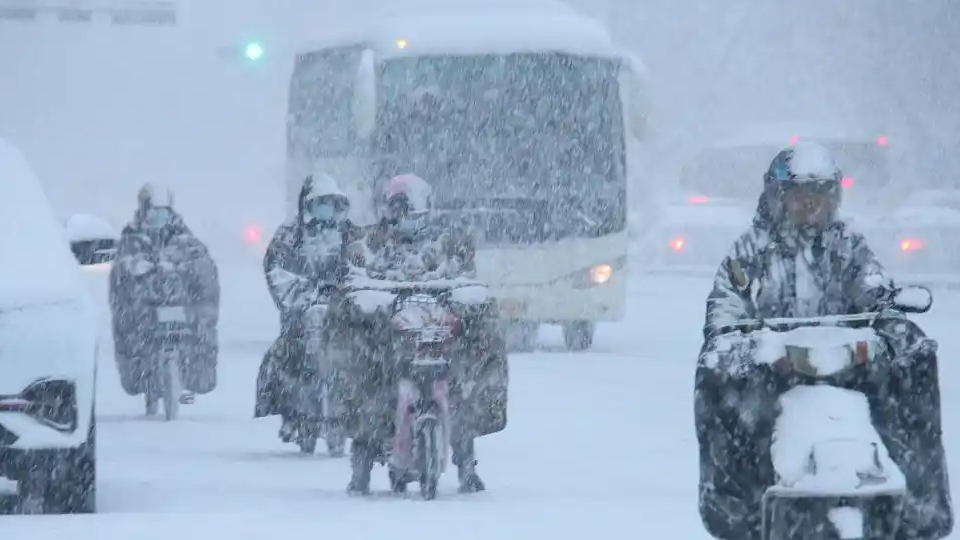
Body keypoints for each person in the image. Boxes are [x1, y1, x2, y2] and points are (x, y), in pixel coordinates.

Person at [694, 142, 952, 540]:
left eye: (819, 192)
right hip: (775, 371)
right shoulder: (747, 253)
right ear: (776, 197)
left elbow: (875, 291)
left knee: (912, 365)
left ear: (834, 196)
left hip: (846, 368)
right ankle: (737, 507)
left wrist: (894, 326)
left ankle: (921, 505)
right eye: (799, 193)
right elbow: (725, 311)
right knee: (726, 391)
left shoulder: (848, 246)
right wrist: (739, 348)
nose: (809, 203)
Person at [344, 173, 507, 495]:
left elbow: (465, 276)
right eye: (395, 208)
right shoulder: (370, 243)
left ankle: (467, 464)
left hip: (436, 327)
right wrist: (367, 304)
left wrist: (468, 303)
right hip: (390, 333)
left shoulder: (449, 243)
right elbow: (355, 276)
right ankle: (360, 466)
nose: (400, 216)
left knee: (463, 386)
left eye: (407, 209)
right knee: (367, 385)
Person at [254, 173, 362, 443]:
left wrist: (354, 289)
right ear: (308, 204)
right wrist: (299, 292)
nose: (327, 207)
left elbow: (367, 261)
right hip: (302, 312)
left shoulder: (350, 233)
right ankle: (289, 414)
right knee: (281, 360)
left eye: (331, 202)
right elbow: (274, 266)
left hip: (343, 311)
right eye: (321, 202)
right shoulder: (290, 233)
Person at [109, 183, 220, 406]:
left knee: (201, 335)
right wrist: (132, 269)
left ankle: (192, 376)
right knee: (130, 335)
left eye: (162, 213)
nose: (157, 218)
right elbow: (119, 276)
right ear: (142, 210)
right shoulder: (131, 238)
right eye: (152, 212)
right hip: (146, 307)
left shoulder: (185, 238)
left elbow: (204, 268)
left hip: (180, 306)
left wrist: (191, 270)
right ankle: (142, 377)